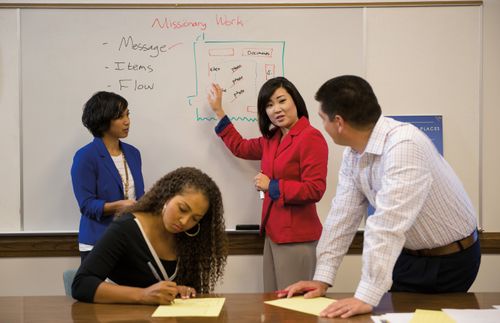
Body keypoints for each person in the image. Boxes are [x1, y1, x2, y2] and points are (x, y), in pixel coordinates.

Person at [280, 75, 481, 318]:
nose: (322, 125)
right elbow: (342, 216)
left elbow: (387, 225)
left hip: (452, 258)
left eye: (323, 119)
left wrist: (365, 295)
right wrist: (322, 278)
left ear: (339, 122)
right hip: (407, 256)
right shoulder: (353, 154)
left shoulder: (404, 145)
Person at [207, 77, 328, 291]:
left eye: (282, 101)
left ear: (295, 102)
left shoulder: (311, 137)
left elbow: (314, 189)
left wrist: (272, 186)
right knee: (273, 302)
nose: (276, 109)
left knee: (294, 307)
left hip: (296, 237)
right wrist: (219, 112)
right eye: (269, 105)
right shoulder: (272, 139)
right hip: (273, 234)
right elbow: (241, 147)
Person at [72, 167, 228, 304]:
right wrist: (143, 295)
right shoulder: (126, 228)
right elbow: (81, 285)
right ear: (167, 196)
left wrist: (179, 290)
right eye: (182, 208)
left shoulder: (189, 238)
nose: (185, 221)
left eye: (195, 218)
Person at [71, 91, 145, 262]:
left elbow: (138, 195)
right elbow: (87, 205)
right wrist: (118, 206)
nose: (127, 121)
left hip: (131, 239)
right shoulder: (86, 156)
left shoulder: (133, 154)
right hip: (98, 242)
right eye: (120, 117)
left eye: (128, 114)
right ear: (103, 121)